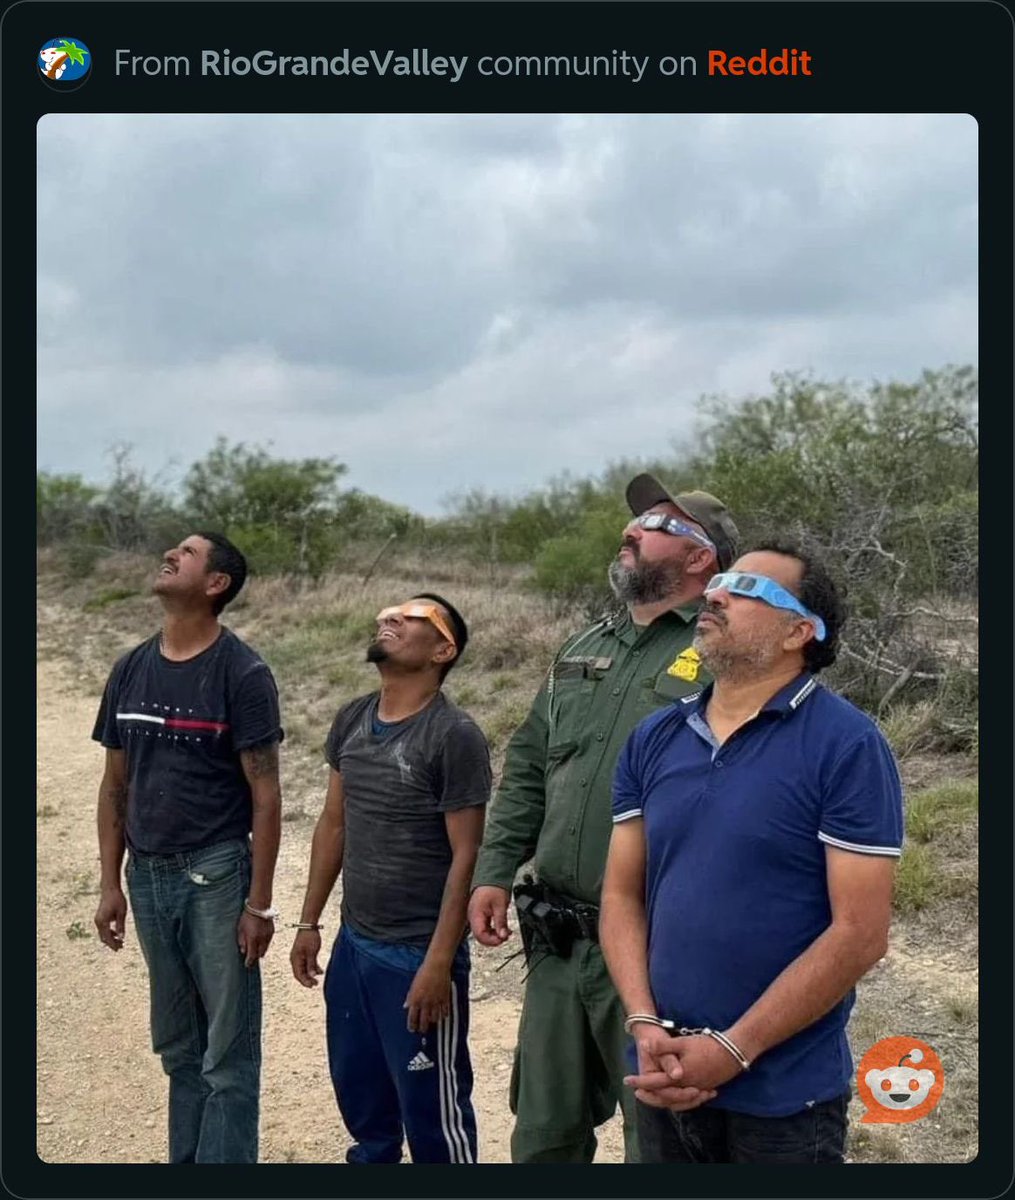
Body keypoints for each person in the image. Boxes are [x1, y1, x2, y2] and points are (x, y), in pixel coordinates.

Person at [601, 541, 904, 1164]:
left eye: (749, 590)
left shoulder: (848, 746)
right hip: (662, 1071)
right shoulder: (655, 736)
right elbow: (621, 893)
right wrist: (641, 1020)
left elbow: (860, 933)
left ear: (800, 631)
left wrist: (735, 1048)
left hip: (783, 1098)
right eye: (722, 582)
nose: (716, 593)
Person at [467, 475, 739, 1163]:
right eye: (637, 518)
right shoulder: (587, 642)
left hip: (656, 948)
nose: (633, 528)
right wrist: (495, 870)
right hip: (557, 940)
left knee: (657, 1139)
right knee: (542, 1134)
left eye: (656, 522)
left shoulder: (725, 652)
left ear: (701, 557)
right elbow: (531, 763)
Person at [92, 532, 284, 1164]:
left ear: (215, 584)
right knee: (179, 1048)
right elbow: (115, 783)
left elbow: (266, 794)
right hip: (146, 877)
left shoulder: (242, 671)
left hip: (216, 873)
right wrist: (110, 882)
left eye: (188, 553)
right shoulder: (130, 668)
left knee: (227, 1053)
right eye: (174, 548)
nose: (170, 554)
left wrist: (258, 905)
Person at [290, 593, 490, 1164]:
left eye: (411, 617)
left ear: (442, 649)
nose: (388, 618)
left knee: (434, 1118)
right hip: (357, 946)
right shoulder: (353, 717)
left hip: (417, 955)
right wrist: (310, 922)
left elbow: (466, 857)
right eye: (387, 613)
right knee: (364, 1104)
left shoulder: (453, 735)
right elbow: (334, 823)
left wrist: (436, 965)